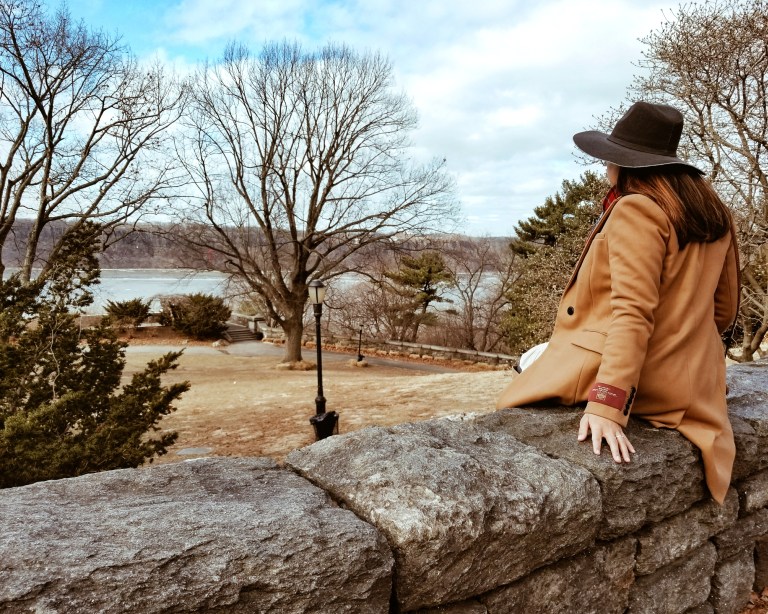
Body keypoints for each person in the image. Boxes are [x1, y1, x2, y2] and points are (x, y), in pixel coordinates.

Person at [496, 101, 740, 504]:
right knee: (540, 355)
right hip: (696, 384)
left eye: (610, 159)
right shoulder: (713, 212)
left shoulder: (637, 210)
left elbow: (632, 313)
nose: (606, 168)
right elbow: (724, 310)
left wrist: (607, 405)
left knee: (526, 372)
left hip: (642, 382)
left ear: (627, 163)